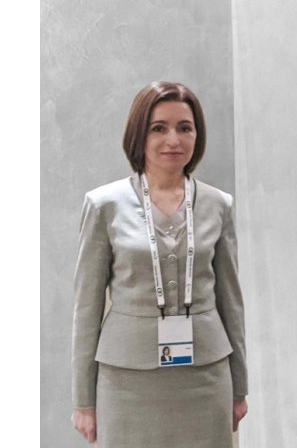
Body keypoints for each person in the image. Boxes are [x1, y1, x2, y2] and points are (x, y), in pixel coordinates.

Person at [71, 81, 248, 447]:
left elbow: (231, 301)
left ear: (197, 135)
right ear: (139, 135)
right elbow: (86, 307)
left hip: (205, 377)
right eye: (158, 128)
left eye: (185, 127)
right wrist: (83, 401)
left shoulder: (218, 204)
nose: (173, 140)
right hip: (126, 381)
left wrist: (239, 387)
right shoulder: (104, 205)